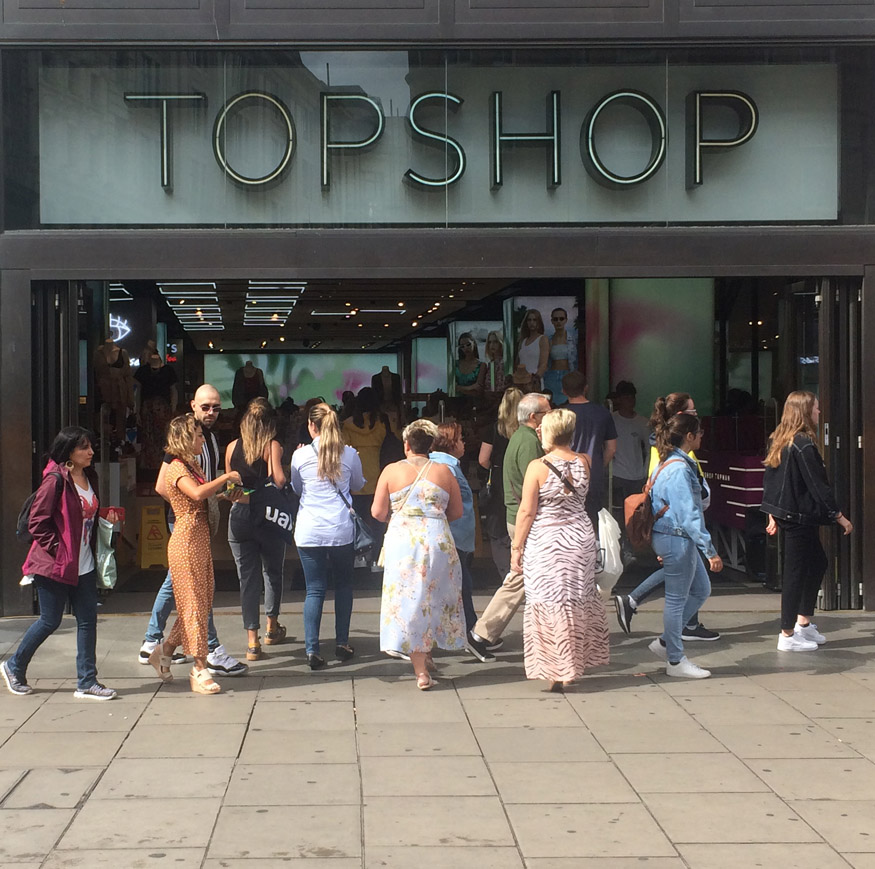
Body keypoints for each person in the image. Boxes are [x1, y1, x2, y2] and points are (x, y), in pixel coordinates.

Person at [138, 384, 248, 678]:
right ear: (193, 406)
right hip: (185, 524)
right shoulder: (180, 447)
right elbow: (167, 486)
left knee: (195, 591)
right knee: (193, 594)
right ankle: (206, 654)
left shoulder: (206, 440)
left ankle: (159, 645)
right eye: (205, 407)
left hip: (199, 521)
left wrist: (219, 494)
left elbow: (202, 490)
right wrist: (185, 502)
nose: (211, 413)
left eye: (215, 407)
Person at [3, 427, 119, 699]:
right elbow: (37, 522)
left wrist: (104, 517)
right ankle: (14, 665)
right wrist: (59, 550)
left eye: (91, 446)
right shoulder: (55, 480)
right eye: (84, 448)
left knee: (88, 621)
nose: (91, 452)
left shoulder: (89, 475)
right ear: (69, 452)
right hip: (55, 564)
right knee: (49, 620)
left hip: (84, 563)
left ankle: (87, 681)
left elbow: (82, 516)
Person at [511, 409, 610, 689]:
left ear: (551, 432)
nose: (539, 431)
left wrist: (516, 547)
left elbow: (527, 511)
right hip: (580, 538)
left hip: (547, 542)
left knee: (549, 601)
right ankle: (575, 663)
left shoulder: (538, 466)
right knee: (577, 599)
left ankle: (558, 668)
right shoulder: (585, 462)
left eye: (542, 428)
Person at [613, 392, 719, 641]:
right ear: (683, 420)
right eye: (692, 413)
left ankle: (671, 630)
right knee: (678, 591)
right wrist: (709, 549)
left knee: (694, 584)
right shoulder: (673, 456)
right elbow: (679, 501)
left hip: (674, 527)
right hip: (676, 528)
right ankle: (674, 639)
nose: (698, 419)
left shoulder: (668, 448)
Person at [372, 419, 465, 690]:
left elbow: (377, 512)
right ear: (431, 445)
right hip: (438, 539)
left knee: (410, 600)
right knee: (434, 596)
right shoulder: (444, 471)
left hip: (404, 541)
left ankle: (421, 670)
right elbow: (457, 512)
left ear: (406, 445)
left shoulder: (391, 471)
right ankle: (428, 653)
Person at [761, 391, 853, 651]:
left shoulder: (779, 439)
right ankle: (787, 634)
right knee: (795, 572)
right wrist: (838, 515)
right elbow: (817, 485)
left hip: (792, 514)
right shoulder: (802, 444)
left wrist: (771, 511)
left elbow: (771, 481)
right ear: (804, 411)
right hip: (798, 516)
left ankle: (802, 624)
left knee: (816, 563)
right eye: (815, 408)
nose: (819, 413)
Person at [466, 392, 551, 662]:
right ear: (534, 416)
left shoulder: (521, 437)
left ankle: (483, 633)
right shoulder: (528, 442)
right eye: (547, 411)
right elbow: (532, 485)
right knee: (520, 579)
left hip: (518, 515)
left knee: (521, 579)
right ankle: (481, 633)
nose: (551, 415)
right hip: (524, 517)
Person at [647, 413, 723, 679]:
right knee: (677, 600)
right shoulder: (679, 467)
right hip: (676, 536)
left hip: (672, 536)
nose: (702, 435)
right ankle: (676, 661)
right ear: (689, 436)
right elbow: (689, 513)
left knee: (701, 589)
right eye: (699, 432)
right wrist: (710, 550)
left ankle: (667, 643)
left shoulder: (670, 462)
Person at [291, 402, 365, 669]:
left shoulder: (299, 456)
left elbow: (297, 489)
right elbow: (357, 485)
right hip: (340, 530)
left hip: (309, 530)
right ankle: (342, 643)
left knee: (314, 589)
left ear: (312, 426)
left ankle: (312, 649)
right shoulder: (350, 454)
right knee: (344, 585)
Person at [226, 397, 288, 662]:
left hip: (239, 514)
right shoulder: (271, 446)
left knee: (247, 579)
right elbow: (280, 480)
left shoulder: (231, 447)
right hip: (267, 516)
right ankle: (272, 627)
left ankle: (252, 642)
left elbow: (230, 485)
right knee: (272, 571)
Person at [430, 422, 478, 634]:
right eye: (459, 439)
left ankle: (466, 628)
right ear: (450, 443)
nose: (463, 443)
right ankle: (471, 630)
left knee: (458, 584)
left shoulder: (448, 464)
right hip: (454, 534)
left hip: (457, 535)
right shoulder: (447, 467)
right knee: (462, 584)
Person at [342, 387, 391, 569]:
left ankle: (360, 557)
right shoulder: (382, 423)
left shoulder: (347, 425)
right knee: (379, 521)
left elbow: (344, 450)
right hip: (378, 478)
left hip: (355, 480)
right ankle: (377, 560)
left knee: (357, 520)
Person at [563, 371, 617, 534]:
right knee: (592, 524)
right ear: (586, 388)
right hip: (593, 476)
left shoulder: (559, 414)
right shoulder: (602, 413)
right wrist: (599, 465)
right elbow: (612, 448)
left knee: (566, 525)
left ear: (564, 391)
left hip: (564, 477)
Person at [478, 387, 523, 579]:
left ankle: (505, 572)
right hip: (521, 477)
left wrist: (493, 468)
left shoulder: (493, 429)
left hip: (498, 478)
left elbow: (482, 459)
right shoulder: (526, 431)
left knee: (498, 530)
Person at [609, 380, 650, 550]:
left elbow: (649, 449)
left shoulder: (642, 422)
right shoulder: (611, 419)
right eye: (626, 397)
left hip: (637, 477)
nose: (630, 401)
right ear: (618, 399)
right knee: (618, 513)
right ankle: (621, 547)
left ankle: (634, 547)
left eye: (632, 397)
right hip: (617, 476)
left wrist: (646, 473)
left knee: (637, 515)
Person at [135, 350, 178, 470]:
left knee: (163, 437)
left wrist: (173, 410)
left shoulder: (168, 371)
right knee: (148, 437)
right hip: (147, 409)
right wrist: (137, 410)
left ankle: (163, 465)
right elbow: (138, 392)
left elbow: (173, 391)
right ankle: (148, 466)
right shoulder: (143, 371)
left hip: (163, 409)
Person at [543, 308, 573, 405]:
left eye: (561, 318)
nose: (558, 321)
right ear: (552, 321)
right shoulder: (549, 340)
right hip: (552, 377)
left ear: (566, 320)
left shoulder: (572, 339)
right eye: (555, 319)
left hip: (567, 375)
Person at [516, 310, 549, 391]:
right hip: (521, 382)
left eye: (534, 320)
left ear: (539, 322)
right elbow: (518, 363)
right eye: (529, 320)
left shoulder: (542, 339)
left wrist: (534, 380)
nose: (532, 322)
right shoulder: (523, 341)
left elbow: (543, 364)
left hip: (534, 381)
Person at [454, 331, 486, 399]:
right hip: (455, 401)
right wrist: (470, 388)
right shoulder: (455, 364)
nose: (466, 348)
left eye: (468, 344)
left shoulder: (481, 365)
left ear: (473, 343)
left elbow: (478, 388)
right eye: (462, 346)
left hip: (474, 402)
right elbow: (453, 387)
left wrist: (460, 388)